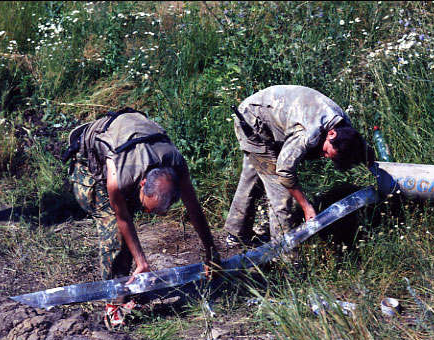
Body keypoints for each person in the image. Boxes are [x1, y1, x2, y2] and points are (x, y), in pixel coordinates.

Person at [64, 107, 221, 284]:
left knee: (128, 213)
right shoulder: (119, 179)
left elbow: (195, 210)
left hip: (129, 145)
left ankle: (129, 284)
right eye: (146, 208)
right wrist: (142, 262)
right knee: (115, 232)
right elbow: (122, 218)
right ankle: (116, 297)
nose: (146, 213)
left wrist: (211, 252)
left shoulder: (178, 165)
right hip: (88, 166)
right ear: (143, 183)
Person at [224, 85, 374, 248]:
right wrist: (306, 206)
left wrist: (371, 162)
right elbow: (284, 171)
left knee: (252, 175)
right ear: (331, 134)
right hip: (253, 121)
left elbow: (357, 146)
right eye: (325, 152)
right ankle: (284, 257)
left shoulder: (344, 125)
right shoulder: (309, 134)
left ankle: (236, 233)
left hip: (271, 115)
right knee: (281, 194)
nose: (323, 156)